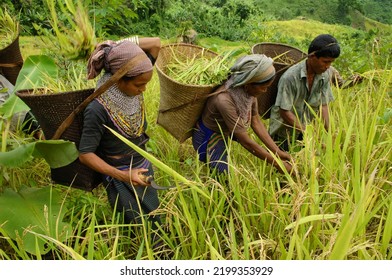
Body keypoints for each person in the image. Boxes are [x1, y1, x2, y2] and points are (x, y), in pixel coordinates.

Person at [78, 37, 161, 229]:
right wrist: (123, 176)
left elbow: (156, 43)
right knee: (134, 225)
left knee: (154, 216)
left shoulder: (133, 85)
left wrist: (113, 46)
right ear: (118, 78)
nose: (143, 90)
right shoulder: (97, 109)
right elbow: (85, 154)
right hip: (121, 173)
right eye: (139, 85)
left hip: (143, 164)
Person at [192, 54, 293, 177]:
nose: (265, 91)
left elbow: (256, 121)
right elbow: (245, 141)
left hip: (224, 133)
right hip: (207, 137)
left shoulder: (248, 93)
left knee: (221, 175)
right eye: (263, 87)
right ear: (248, 83)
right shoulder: (224, 100)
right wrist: (277, 163)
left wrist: (277, 152)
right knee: (225, 178)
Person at [268, 34, 341, 151]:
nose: (328, 66)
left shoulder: (325, 75)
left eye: (331, 62)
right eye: (325, 61)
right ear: (312, 57)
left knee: (303, 166)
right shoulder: (290, 77)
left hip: (304, 132)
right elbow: (284, 112)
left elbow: (323, 106)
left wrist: (331, 134)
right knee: (281, 166)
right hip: (283, 133)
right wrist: (308, 132)